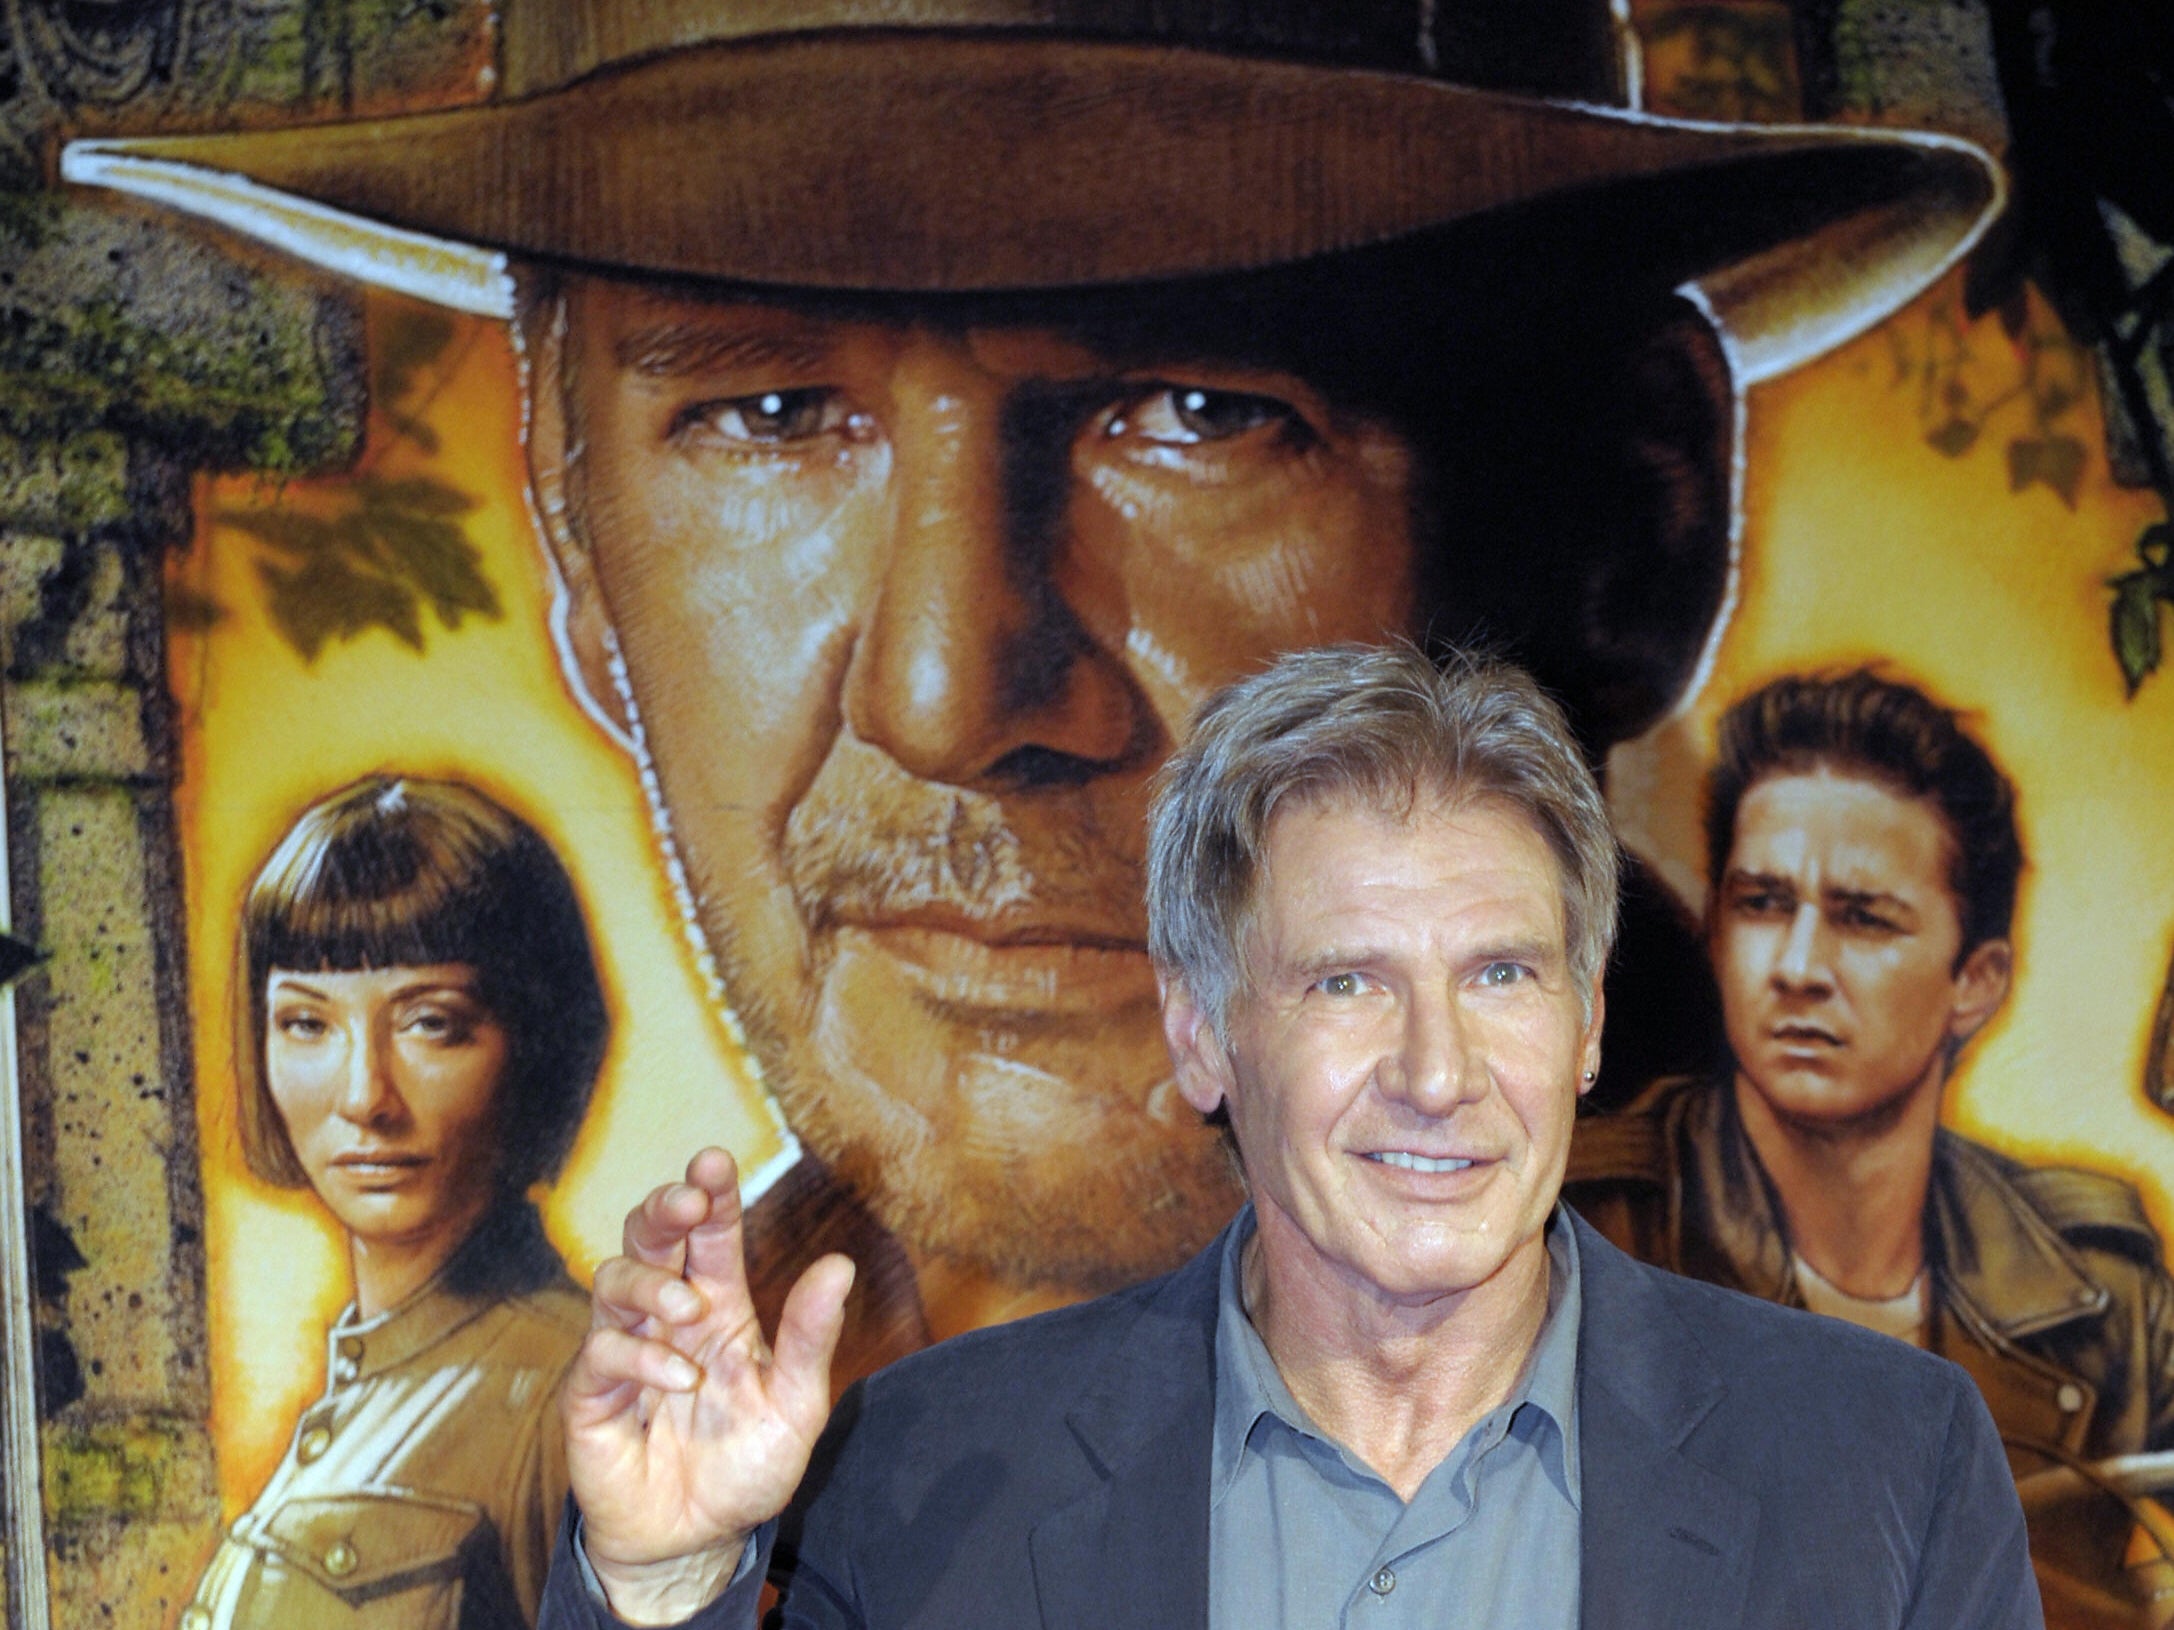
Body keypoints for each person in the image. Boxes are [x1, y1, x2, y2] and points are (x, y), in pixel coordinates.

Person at [66, 0, 2004, 1376]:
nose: (946, 685)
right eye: (767, 412)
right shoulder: (676, 1454)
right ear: (573, 541)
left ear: (1620, 526)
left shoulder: (1882, 1466)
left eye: (1197, 409)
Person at [539, 643, 2038, 1630]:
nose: (1437, 1072)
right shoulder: (929, 1466)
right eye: (1345, 981)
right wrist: (661, 1578)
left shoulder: (1881, 1466)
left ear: (1586, 1022)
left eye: (1499, 975)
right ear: (1202, 1030)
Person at [1565, 670, 2174, 1625]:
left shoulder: (2101, 1287)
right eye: (1764, 902)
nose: (1800, 969)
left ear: (1975, 979)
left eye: (1863, 917)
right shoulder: (1588, 1225)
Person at [183, 775, 610, 1630]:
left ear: (533, 1041)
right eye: (308, 1024)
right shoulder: (361, 1397)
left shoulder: (568, 1392)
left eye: (431, 1024)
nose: (365, 1097)